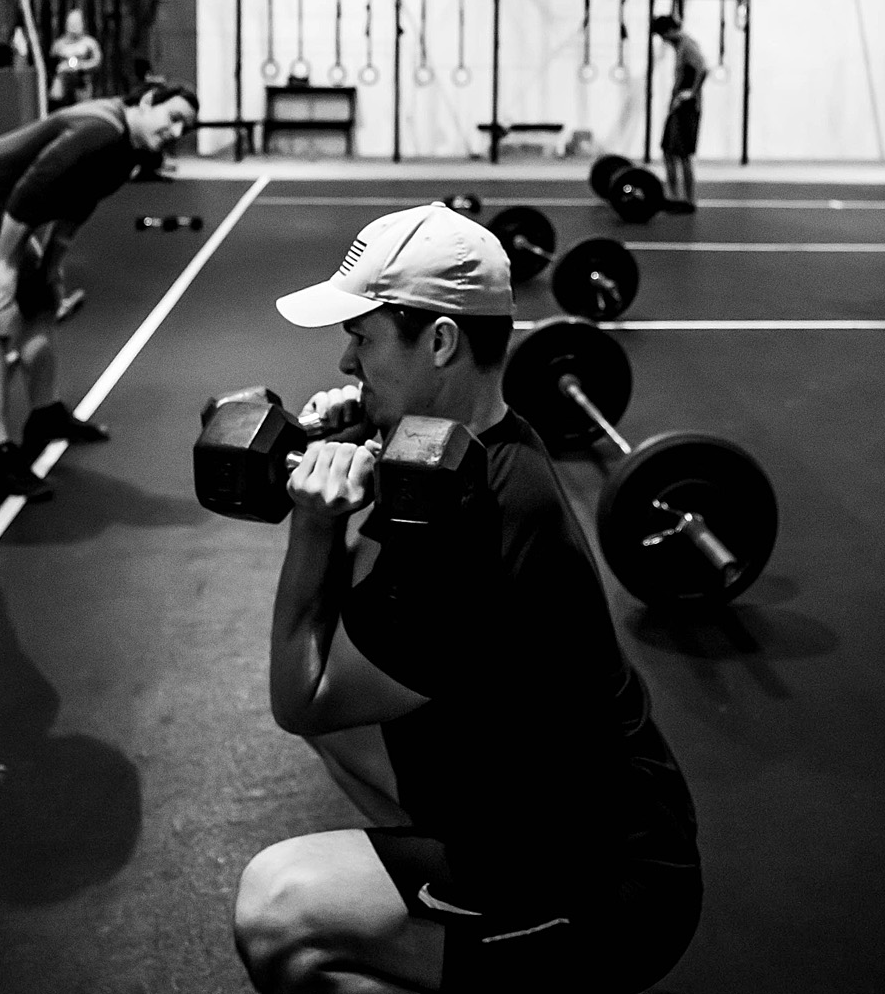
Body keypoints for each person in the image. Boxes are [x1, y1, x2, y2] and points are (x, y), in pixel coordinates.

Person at [233, 203, 702, 994]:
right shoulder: (472, 445)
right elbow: (358, 632)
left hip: (605, 878)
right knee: (349, 729)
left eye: (364, 336)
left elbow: (302, 693)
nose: (346, 363)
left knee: (279, 908)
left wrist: (314, 523)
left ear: (442, 340)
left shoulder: (480, 514)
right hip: (530, 792)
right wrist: (371, 433)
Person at [0, 79, 196, 500]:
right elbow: (30, 192)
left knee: (43, 301)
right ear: (149, 101)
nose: (174, 134)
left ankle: (45, 415)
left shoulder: (127, 153)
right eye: (173, 119)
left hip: (5, 215)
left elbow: (75, 208)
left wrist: (50, 265)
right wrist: (8, 266)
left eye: (184, 130)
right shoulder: (98, 129)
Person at [648, 13, 706, 214]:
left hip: (687, 109)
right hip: (678, 107)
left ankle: (688, 201)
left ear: (670, 31)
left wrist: (691, 93)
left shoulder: (687, 45)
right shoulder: (679, 46)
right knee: (668, 151)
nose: (662, 39)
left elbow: (703, 68)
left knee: (683, 155)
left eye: (662, 35)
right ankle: (675, 198)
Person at [51, 8, 103, 106]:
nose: (73, 27)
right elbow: (51, 63)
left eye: (76, 23)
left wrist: (80, 67)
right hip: (64, 85)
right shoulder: (59, 44)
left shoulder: (89, 43)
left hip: (82, 84)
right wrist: (62, 68)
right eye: (71, 23)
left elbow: (96, 61)